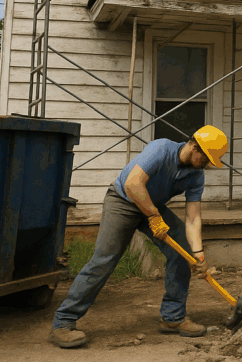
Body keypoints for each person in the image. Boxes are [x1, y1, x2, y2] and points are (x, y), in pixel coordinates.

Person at [49, 126, 229, 349]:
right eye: (207, 158)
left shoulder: (196, 175)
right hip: (123, 201)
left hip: (153, 206)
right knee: (105, 259)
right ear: (194, 146)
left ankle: (172, 318)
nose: (208, 164)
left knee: (181, 250)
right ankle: (64, 322)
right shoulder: (161, 149)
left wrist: (198, 253)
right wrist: (153, 216)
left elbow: (193, 217)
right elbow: (133, 183)